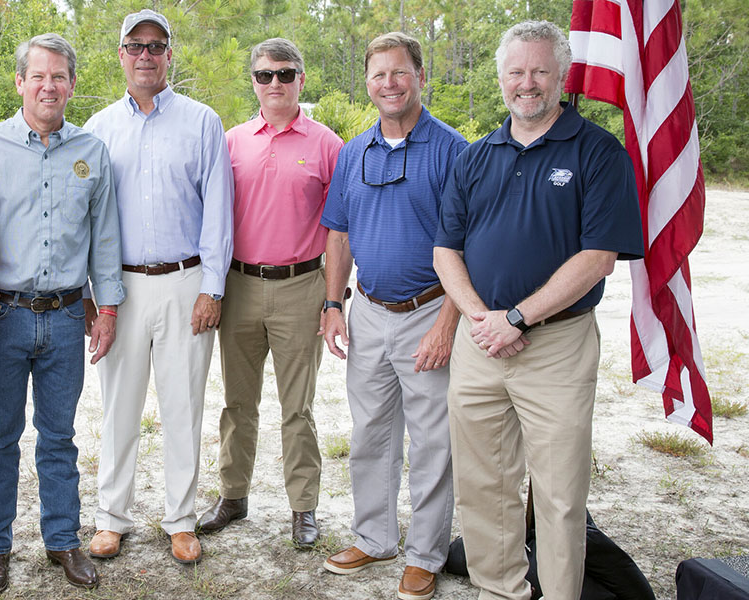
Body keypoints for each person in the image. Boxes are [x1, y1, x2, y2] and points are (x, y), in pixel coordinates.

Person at [432, 21, 642, 600]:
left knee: (558, 494)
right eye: (517, 72)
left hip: (555, 347)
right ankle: (502, 589)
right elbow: (445, 249)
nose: (528, 84)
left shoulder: (598, 152)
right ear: (501, 78)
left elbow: (598, 258)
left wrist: (517, 318)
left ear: (562, 76)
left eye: (540, 71)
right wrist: (481, 318)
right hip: (481, 342)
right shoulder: (476, 156)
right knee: (483, 484)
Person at [0, 33, 124, 594]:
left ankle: (63, 540)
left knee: (59, 436)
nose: (48, 86)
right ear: (20, 82)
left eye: (59, 76)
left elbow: (105, 238)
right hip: (1, 316)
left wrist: (106, 309)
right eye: (38, 75)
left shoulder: (92, 151)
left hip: (63, 316)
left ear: (72, 84)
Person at [318, 32, 467, 600]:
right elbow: (339, 232)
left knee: (432, 441)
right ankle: (375, 536)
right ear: (367, 83)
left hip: (428, 311)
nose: (389, 84)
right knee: (370, 435)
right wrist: (335, 304)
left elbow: (468, 243)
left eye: (399, 73)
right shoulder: (354, 153)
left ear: (420, 76)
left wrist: (448, 322)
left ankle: (426, 553)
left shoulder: (454, 150)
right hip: (370, 315)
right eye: (378, 75)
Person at [84, 8, 234, 565]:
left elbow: (218, 212)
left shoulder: (202, 121)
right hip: (119, 287)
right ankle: (110, 519)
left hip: (185, 281)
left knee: (183, 404)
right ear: (121, 54)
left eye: (156, 44)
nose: (145, 54)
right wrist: (95, 295)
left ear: (170, 54)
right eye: (135, 45)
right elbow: (91, 219)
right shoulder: (98, 128)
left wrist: (211, 288)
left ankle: (181, 519)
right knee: (118, 406)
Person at [196, 37, 342, 548]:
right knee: (238, 403)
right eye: (265, 75)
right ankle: (233, 496)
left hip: (302, 286)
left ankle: (303, 507)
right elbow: (211, 218)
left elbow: (340, 231)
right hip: (238, 286)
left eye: (285, 73)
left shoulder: (327, 144)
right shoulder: (231, 141)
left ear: (301, 78)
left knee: (297, 407)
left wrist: (333, 300)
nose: (275, 83)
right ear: (253, 81)